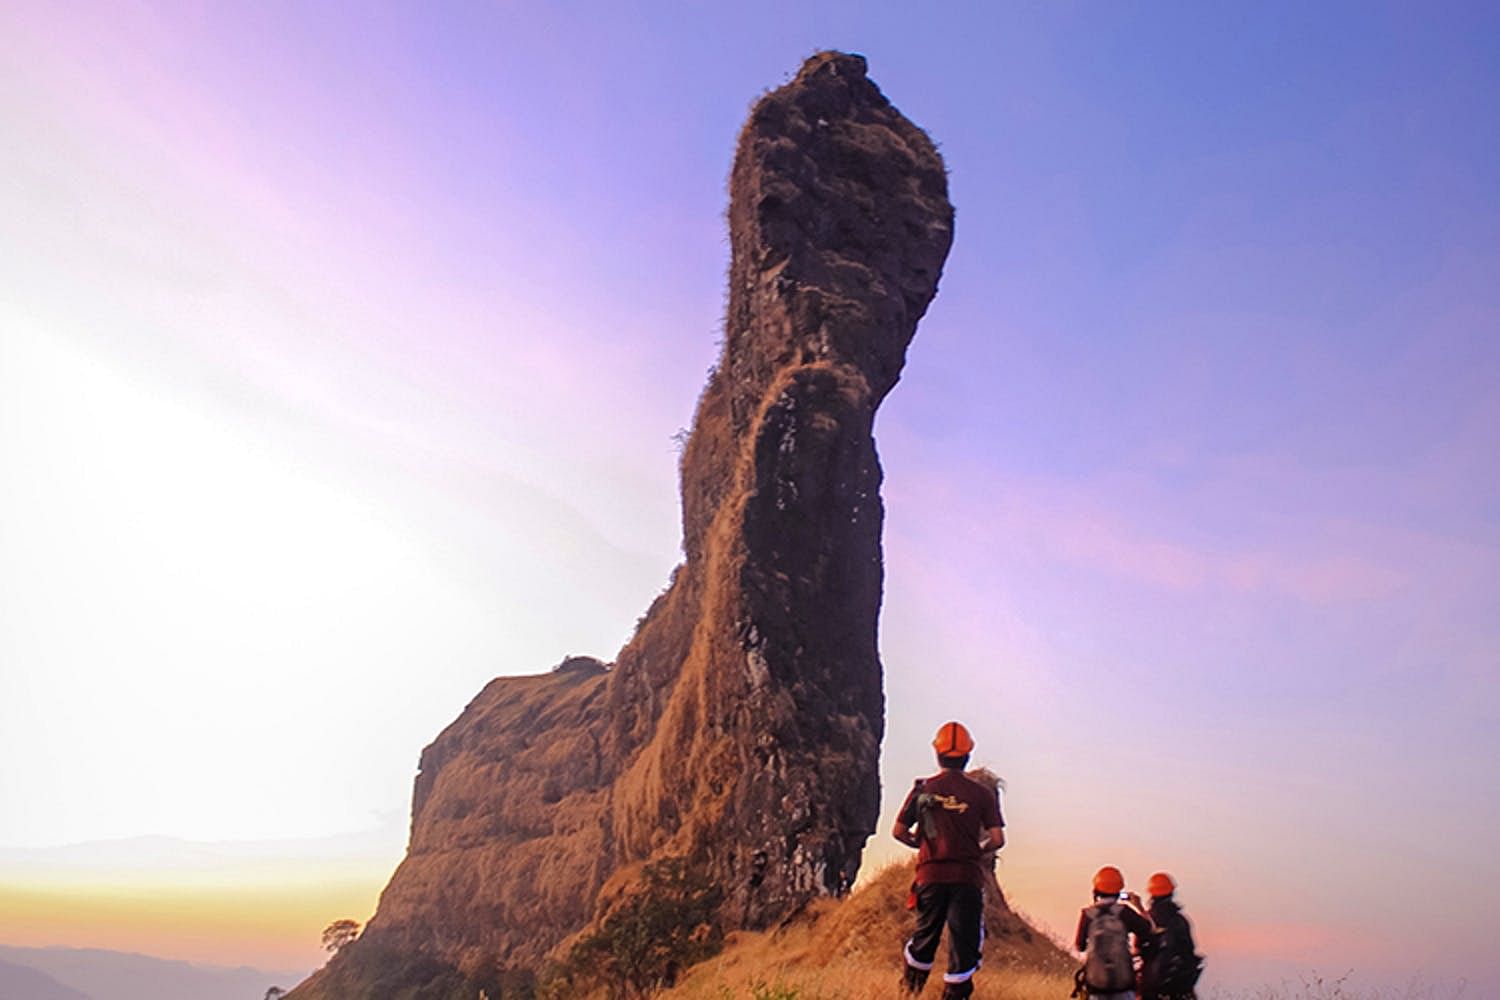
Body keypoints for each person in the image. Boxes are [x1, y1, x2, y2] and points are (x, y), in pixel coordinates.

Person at [893, 721, 1005, 998]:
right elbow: (998, 839)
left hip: (930, 877)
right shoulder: (982, 794)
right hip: (967, 879)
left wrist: (921, 846)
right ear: (967, 756)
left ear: (937, 754)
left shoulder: (923, 789)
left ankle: (909, 992)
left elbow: (898, 831)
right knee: (963, 945)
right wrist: (978, 850)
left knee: (924, 938)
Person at [1073, 866, 1155, 999]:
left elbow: (1079, 946)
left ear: (1096, 890)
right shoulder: (1125, 912)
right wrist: (1139, 906)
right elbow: (1150, 930)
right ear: (1119, 891)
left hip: (1096, 987)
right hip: (1123, 985)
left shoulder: (1087, 914)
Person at [1140, 872, 1203, 1000]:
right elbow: (1190, 949)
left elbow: (1139, 949)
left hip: (1152, 987)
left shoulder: (1147, 919)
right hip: (1179, 984)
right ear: (1172, 893)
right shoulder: (1181, 920)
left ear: (1151, 893)